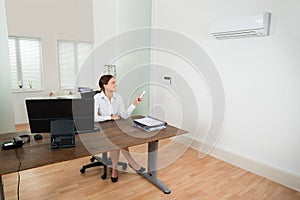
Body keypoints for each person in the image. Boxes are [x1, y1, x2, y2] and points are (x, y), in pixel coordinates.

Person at [94, 74, 145, 182]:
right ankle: (130, 164)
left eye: (115, 82)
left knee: (119, 138)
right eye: (113, 82)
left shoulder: (118, 97)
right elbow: (94, 117)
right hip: (102, 128)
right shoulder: (97, 98)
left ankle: (115, 168)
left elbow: (124, 115)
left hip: (115, 127)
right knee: (116, 140)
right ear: (105, 85)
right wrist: (110, 117)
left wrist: (134, 104)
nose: (115, 84)